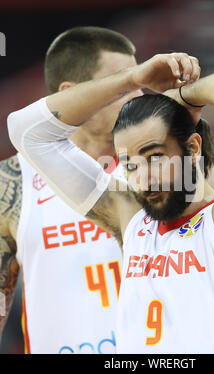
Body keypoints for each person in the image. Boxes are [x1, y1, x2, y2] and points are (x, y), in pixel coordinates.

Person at [8, 53, 214, 353]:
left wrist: (182, 98)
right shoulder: (132, 220)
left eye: (155, 158)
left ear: (192, 148)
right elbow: (26, 131)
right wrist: (133, 78)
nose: (143, 179)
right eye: (129, 165)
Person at [0, 26, 143, 354]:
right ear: (71, 94)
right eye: (122, 84)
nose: (137, 96)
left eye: (139, 84)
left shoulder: (160, 170)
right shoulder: (12, 181)